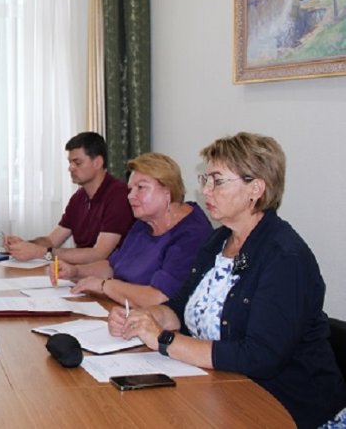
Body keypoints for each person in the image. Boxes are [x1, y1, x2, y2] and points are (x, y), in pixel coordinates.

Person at [108, 133, 346, 428]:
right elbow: (179, 307)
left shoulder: (285, 258)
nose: (206, 190)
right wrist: (143, 318)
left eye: (218, 181)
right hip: (222, 391)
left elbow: (259, 357)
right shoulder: (218, 240)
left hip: (285, 409)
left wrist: (164, 340)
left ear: (255, 188)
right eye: (206, 179)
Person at [53, 153, 212, 308]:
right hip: (121, 310)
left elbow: (158, 297)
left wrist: (104, 286)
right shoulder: (144, 223)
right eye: (131, 189)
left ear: (167, 191)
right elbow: (113, 266)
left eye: (141, 188)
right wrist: (76, 271)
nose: (130, 196)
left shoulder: (191, 235)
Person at [4, 132, 134, 264]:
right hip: (78, 271)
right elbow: (52, 241)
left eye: (77, 163)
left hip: (110, 273)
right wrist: (24, 245)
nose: (70, 168)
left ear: (97, 162)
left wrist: (40, 252)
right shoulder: (78, 198)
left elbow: (99, 254)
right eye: (70, 162)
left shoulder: (118, 195)